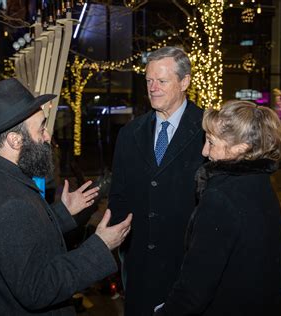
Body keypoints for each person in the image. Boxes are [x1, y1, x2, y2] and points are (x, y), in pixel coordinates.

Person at [0, 78, 133, 315]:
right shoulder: (8, 201)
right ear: (15, 139)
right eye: (41, 128)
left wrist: (60, 214)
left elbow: (15, 241)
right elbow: (38, 288)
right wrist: (99, 246)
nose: (47, 136)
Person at [154, 100, 281, 315]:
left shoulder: (220, 198)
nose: (204, 151)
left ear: (241, 148)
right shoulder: (260, 183)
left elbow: (195, 286)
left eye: (211, 142)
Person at [108, 46, 205, 315]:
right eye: (149, 80)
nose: (153, 87)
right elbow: (119, 195)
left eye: (162, 81)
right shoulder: (129, 133)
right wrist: (122, 254)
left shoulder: (209, 131)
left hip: (187, 269)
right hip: (139, 271)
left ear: (184, 82)